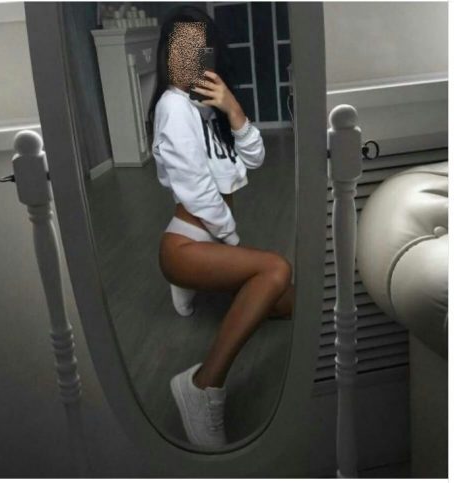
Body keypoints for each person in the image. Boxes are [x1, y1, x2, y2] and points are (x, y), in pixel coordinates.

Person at [147, 5, 295, 449]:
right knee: (275, 270)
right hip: (185, 245)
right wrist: (231, 241)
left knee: (287, 303)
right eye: (183, 48)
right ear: (168, 54)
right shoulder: (173, 107)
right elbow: (195, 190)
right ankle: (202, 385)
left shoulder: (207, 107)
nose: (192, 57)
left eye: (201, 48)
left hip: (209, 237)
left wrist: (232, 109)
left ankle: (195, 285)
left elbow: (256, 158)